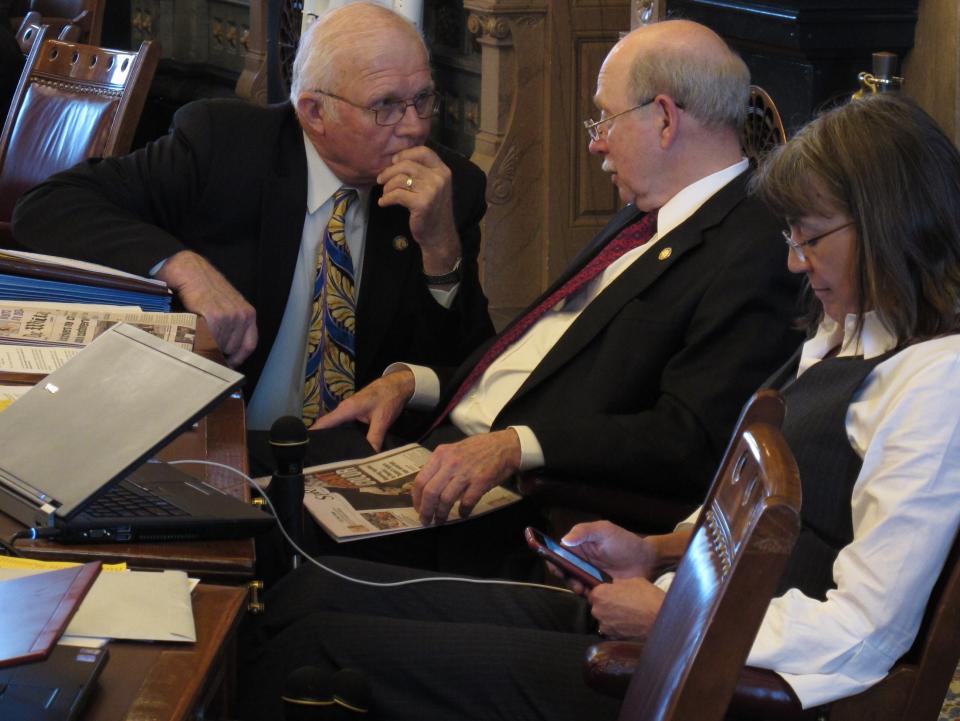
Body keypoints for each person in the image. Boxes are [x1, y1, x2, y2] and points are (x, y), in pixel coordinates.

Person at [236, 93, 960, 720]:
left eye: (812, 237)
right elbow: (752, 524)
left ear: (890, 222)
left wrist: (676, 616)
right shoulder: (852, 330)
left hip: (709, 684)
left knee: (317, 646)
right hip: (677, 623)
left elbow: (868, 629)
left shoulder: (936, 385)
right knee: (309, 594)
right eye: (791, 237)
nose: (796, 262)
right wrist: (655, 550)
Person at [295, 19, 800, 568]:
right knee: (257, 477)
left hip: (524, 509)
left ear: (663, 118)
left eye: (606, 116)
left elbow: (689, 440)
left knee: (279, 538)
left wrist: (517, 446)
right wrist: (414, 381)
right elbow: (543, 367)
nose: (595, 140)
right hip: (442, 446)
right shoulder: (641, 218)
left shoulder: (755, 250)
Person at [10, 2, 494, 431]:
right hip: (217, 439)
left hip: (349, 453)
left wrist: (441, 250)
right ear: (314, 112)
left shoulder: (448, 187)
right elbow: (49, 206)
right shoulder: (226, 146)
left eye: (423, 100)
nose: (413, 127)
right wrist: (184, 267)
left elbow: (474, 368)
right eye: (386, 105)